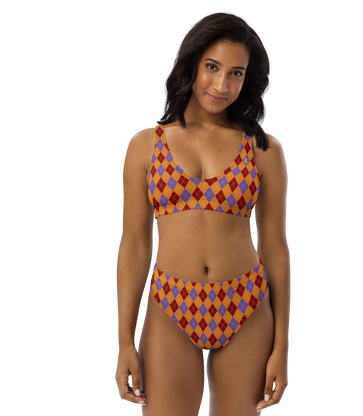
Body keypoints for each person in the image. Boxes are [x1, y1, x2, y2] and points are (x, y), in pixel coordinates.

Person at [114, 9, 291, 415]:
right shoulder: (145, 144)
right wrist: (124, 343)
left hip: (244, 304)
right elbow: (134, 246)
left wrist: (282, 348)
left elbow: (275, 248)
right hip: (170, 304)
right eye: (212, 67)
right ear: (192, 62)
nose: (221, 85)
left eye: (236, 73)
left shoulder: (263, 147)